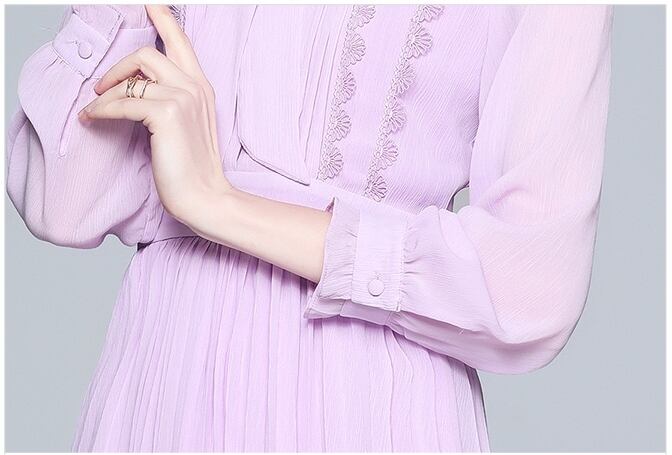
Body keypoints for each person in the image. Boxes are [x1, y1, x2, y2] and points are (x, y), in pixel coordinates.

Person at [6, 3, 614, 452]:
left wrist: (219, 203)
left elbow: (529, 286)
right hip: (160, 385)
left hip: (358, 404)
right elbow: (62, 202)